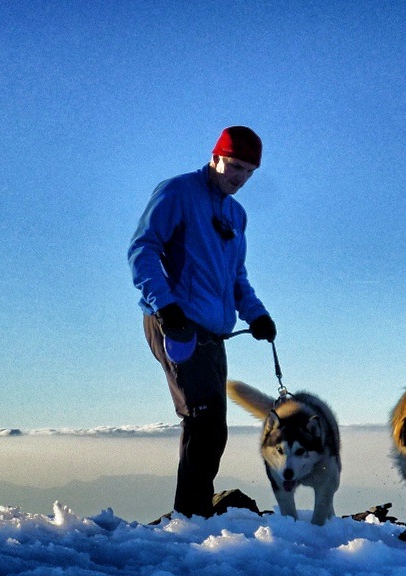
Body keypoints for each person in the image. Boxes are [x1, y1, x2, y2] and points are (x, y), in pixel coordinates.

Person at [128, 126, 277, 518]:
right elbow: (142, 249)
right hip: (174, 323)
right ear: (215, 157)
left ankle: (194, 512)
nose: (240, 177)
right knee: (203, 418)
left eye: (248, 171)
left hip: (214, 331)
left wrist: (257, 314)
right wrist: (166, 305)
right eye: (234, 166)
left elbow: (236, 277)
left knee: (215, 426)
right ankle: (191, 516)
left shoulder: (236, 214)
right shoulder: (177, 192)